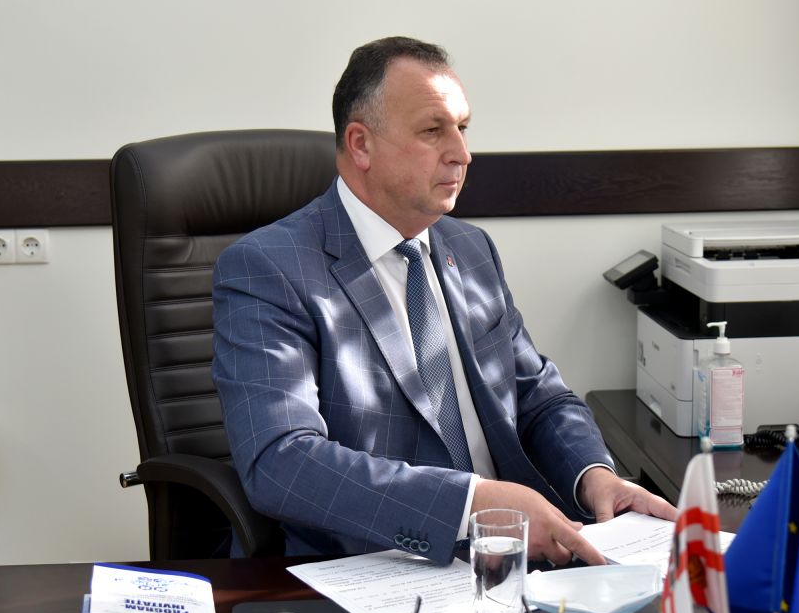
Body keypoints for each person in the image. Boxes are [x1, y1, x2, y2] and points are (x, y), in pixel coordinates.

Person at [212, 36, 674, 565]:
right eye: (433, 131)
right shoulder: (268, 268)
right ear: (360, 145)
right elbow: (282, 461)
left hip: (522, 553)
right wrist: (469, 504)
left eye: (463, 128)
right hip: (377, 564)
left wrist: (596, 476)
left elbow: (537, 396)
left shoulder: (470, 249)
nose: (462, 154)